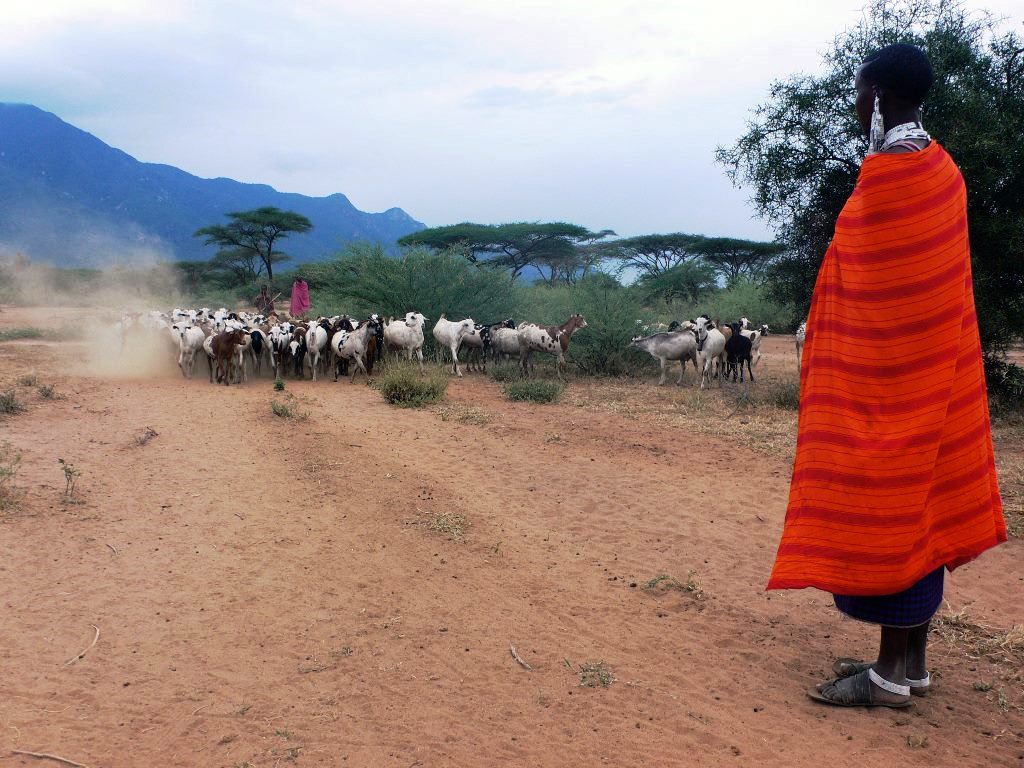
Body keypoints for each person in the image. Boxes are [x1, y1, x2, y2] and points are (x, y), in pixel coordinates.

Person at [767, 43, 1006, 708]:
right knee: (925, 510)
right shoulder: (945, 171)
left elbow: (857, 280)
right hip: (937, 376)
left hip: (891, 383)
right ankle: (913, 664)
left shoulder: (890, 176)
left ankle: (887, 676)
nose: (855, 104)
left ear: (878, 96)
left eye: (858, 92)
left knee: (893, 508)